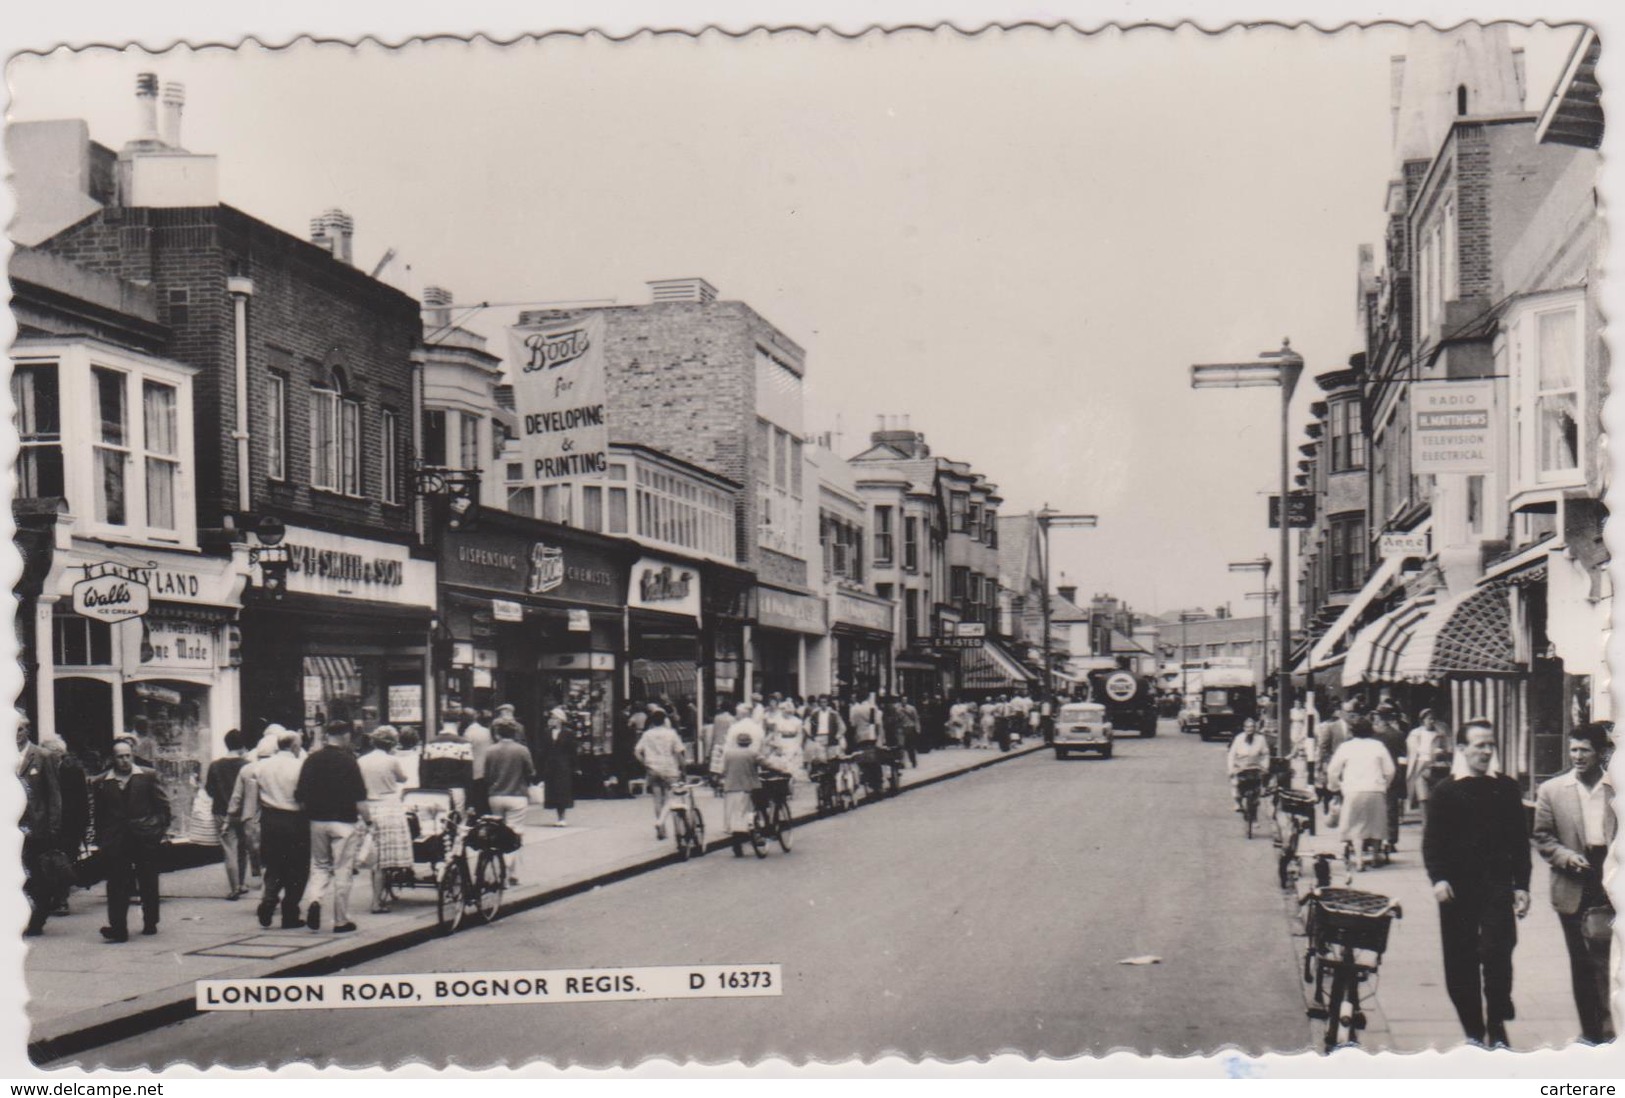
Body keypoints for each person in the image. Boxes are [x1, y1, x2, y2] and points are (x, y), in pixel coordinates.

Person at [1422, 719, 1532, 1049]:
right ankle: (1473, 1029)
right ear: (1461, 749)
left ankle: (1497, 1020)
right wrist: (1438, 879)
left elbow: (1519, 843)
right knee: (1460, 961)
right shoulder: (1445, 791)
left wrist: (1522, 886)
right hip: (1457, 890)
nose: (1486, 751)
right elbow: (1432, 843)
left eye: (1490, 745)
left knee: (1498, 951)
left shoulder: (1507, 788)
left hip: (1497, 886)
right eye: (1479, 745)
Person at [1532, 722, 1616, 1045]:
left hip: (1608, 878)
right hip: (1573, 880)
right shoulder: (1552, 790)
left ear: (1600, 754)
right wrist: (1566, 856)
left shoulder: (1615, 789)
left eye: (1585, 750)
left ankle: (1611, 1025)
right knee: (1581, 962)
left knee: (1610, 959)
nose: (1577, 756)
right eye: (1573, 750)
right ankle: (1592, 1031)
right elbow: (1542, 836)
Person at [91, 736, 171, 942]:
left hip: (144, 837)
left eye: (128, 756)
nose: (124, 760)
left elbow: (163, 806)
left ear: (133, 755)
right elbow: (99, 814)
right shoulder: (101, 782)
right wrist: (102, 839)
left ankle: (150, 920)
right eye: (120, 757)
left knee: (148, 880)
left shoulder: (147, 776)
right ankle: (118, 928)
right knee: (117, 883)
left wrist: (157, 830)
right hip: (117, 839)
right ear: (113, 759)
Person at [294, 721, 368, 934]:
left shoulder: (312, 759)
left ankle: (315, 900)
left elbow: (300, 795)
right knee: (342, 870)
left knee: (319, 865)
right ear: (345, 736)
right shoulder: (349, 761)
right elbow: (359, 798)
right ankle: (340, 920)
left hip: (317, 821)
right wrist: (369, 821)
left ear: (327, 736)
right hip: (344, 822)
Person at [1325, 716, 1395, 873]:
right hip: (1375, 789)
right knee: (1376, 823)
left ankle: (1359, 860)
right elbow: (1390, 770)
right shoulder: (1378, 746)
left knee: (1356, 825)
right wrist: (1385, 784)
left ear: (1352, 731)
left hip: (1353, 791)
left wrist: (1335, 785)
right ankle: (1376, 856)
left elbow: (1332, 770)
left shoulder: (1346, 747)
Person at [357, 726, 411, 915]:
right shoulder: (391, 760)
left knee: (374, 858)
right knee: (383, 860)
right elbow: (403, 778)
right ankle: (376, 902)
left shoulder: (362, 761)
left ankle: (377, 897)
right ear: (392, 743)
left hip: (369, 807)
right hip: (389, 807)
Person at [19, 715, 63, 937]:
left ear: (27, 731)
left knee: (37, 874)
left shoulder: (42, 756)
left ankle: (38, 918)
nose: (15, 734)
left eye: (19, 730)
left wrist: (53, 826)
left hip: (37, 826)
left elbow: (53, 794)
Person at [205, 729, 257, 900]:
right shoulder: (247, 765)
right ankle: (241, 883)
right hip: (243, 813)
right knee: (243, 849)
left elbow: (209, 790)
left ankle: (234, 887)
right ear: (242, 745)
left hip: (221, 812)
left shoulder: (215, 765)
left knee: (229, 850)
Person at [485, 717, 536, 885]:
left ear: (498, 733)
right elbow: (531, 772)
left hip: (496, 796)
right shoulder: (522, 750)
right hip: (517, 795)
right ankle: (508, 872)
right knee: (514, 835)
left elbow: (487, 775)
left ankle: (507, 872)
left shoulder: (490, 751)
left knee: (498, 834)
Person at [634, 708, 686, 841]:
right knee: (670, 799)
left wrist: (645, 764)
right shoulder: (671, 734)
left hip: (653, 770)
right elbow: (679, 753)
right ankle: (674, 828)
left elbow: (637, 751)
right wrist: (683, 769)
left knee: (657, 800)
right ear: (664, 721)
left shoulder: (647, 734)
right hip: (670, 770)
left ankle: (661, 828)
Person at [721, 730, 764, 857]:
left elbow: (724, 770)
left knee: (734, 816)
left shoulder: (728, 754)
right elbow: (766, 763)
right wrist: (781, 769)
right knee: (748, 813)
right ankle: (755, 834)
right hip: (747, 788)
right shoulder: (753, 753)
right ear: (749, 743)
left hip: (730, 788)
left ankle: (736, 844)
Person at [1372, 703, 1409, 851]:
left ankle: (1376, 839)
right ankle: (1391, 841)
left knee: (1376, 808)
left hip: (1375, 775)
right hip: (1393, 775)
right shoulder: (1398, 735)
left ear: (1379, 717)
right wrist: (1401, 774)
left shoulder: (1373, 735)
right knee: (1391, 808)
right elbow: (1403, 759)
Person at [419, 719, 474, 810]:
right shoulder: (464, 744)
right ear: (458, 723)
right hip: (457, 789)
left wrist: (425, 791)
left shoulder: (430, 744)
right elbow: (468, 773)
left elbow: (425, 772)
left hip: (436, 790)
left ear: (441, 722)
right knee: (457, 820)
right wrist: (470, 801)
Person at [1406, 709, 1451, 812]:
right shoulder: (1416, 733)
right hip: (1421, 765)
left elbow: (1447, 748)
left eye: (1433, 719)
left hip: (1436, 766)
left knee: (1435, 795)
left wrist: (1441, 752)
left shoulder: (1440, 733)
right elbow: (1412, 752)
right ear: (1423, 720)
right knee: (1423, 796)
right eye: (1429, 719)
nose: (1432, 721)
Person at [1226, 718, 1272, 813]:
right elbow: (1231, 754)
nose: (1249, 730)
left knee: (1259, 786)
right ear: (1244, 728)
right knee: (1236, 786)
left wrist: (1265, 767)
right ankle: (1238, 802)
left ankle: (1256, 800)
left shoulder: (1260, 739)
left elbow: (1265, 754)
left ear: (1255, 728)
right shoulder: (1239, 738)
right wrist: (1231, 769)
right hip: (1240, 767)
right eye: (1247, 727)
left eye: (1252, 727)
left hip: (1255, 766)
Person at [541, 706, 577, 827]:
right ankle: (557, 813)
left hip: (563, 765)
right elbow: (544, 749)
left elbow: (573, 751)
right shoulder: (546, 732)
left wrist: (574, 766)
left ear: (561, 719)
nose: (552, 720)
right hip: (550, 764)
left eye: (555, 718)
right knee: (553, 790)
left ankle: (562, 816)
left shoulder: (568, 733)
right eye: (551, 717)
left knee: (562, 790)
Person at [463, 707, 493, 817]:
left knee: (476, 801)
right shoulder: (486, 732)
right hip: (486, 769)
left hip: (474, 770)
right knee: (485, 801)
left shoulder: (467, 734)